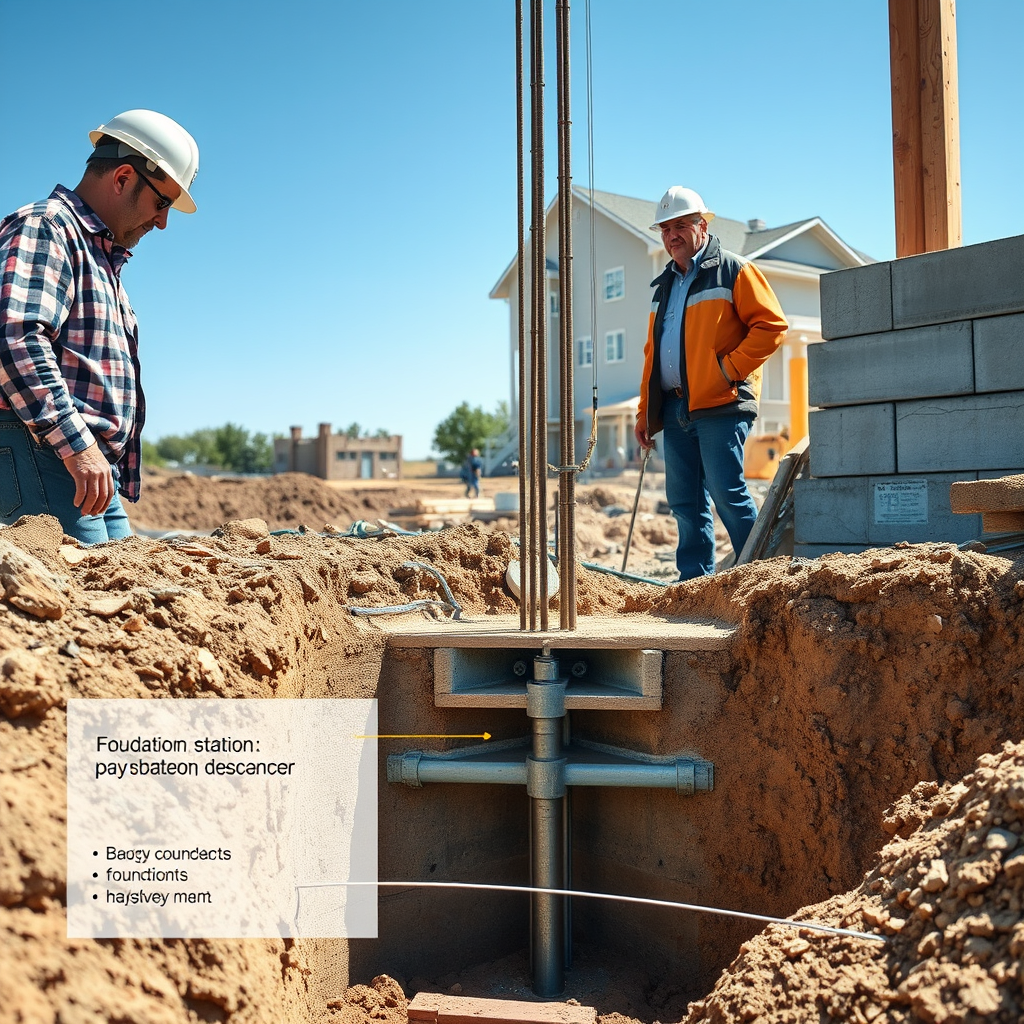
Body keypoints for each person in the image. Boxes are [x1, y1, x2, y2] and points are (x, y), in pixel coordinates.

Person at [0, 109, 199, 544]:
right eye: (161, 202)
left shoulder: (102, 262)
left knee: (126, 589)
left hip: (78, 462)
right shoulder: (47, 227)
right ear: (124, 177)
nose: (163, 221)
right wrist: (77, 446)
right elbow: (15, 336)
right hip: (47, 452)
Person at [634, 186, 787, 580]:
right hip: (674, 406)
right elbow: (654, 355)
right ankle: (695, 585)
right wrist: (644, 414)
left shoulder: (735, 270)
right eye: (665, 229)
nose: (672, 236)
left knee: (728, 495)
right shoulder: (663, 287)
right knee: (684, 502)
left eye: (681, 226)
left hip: (721, 403)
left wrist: (727, 371)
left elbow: (771, 326)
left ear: (703, 226)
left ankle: (762, 579)